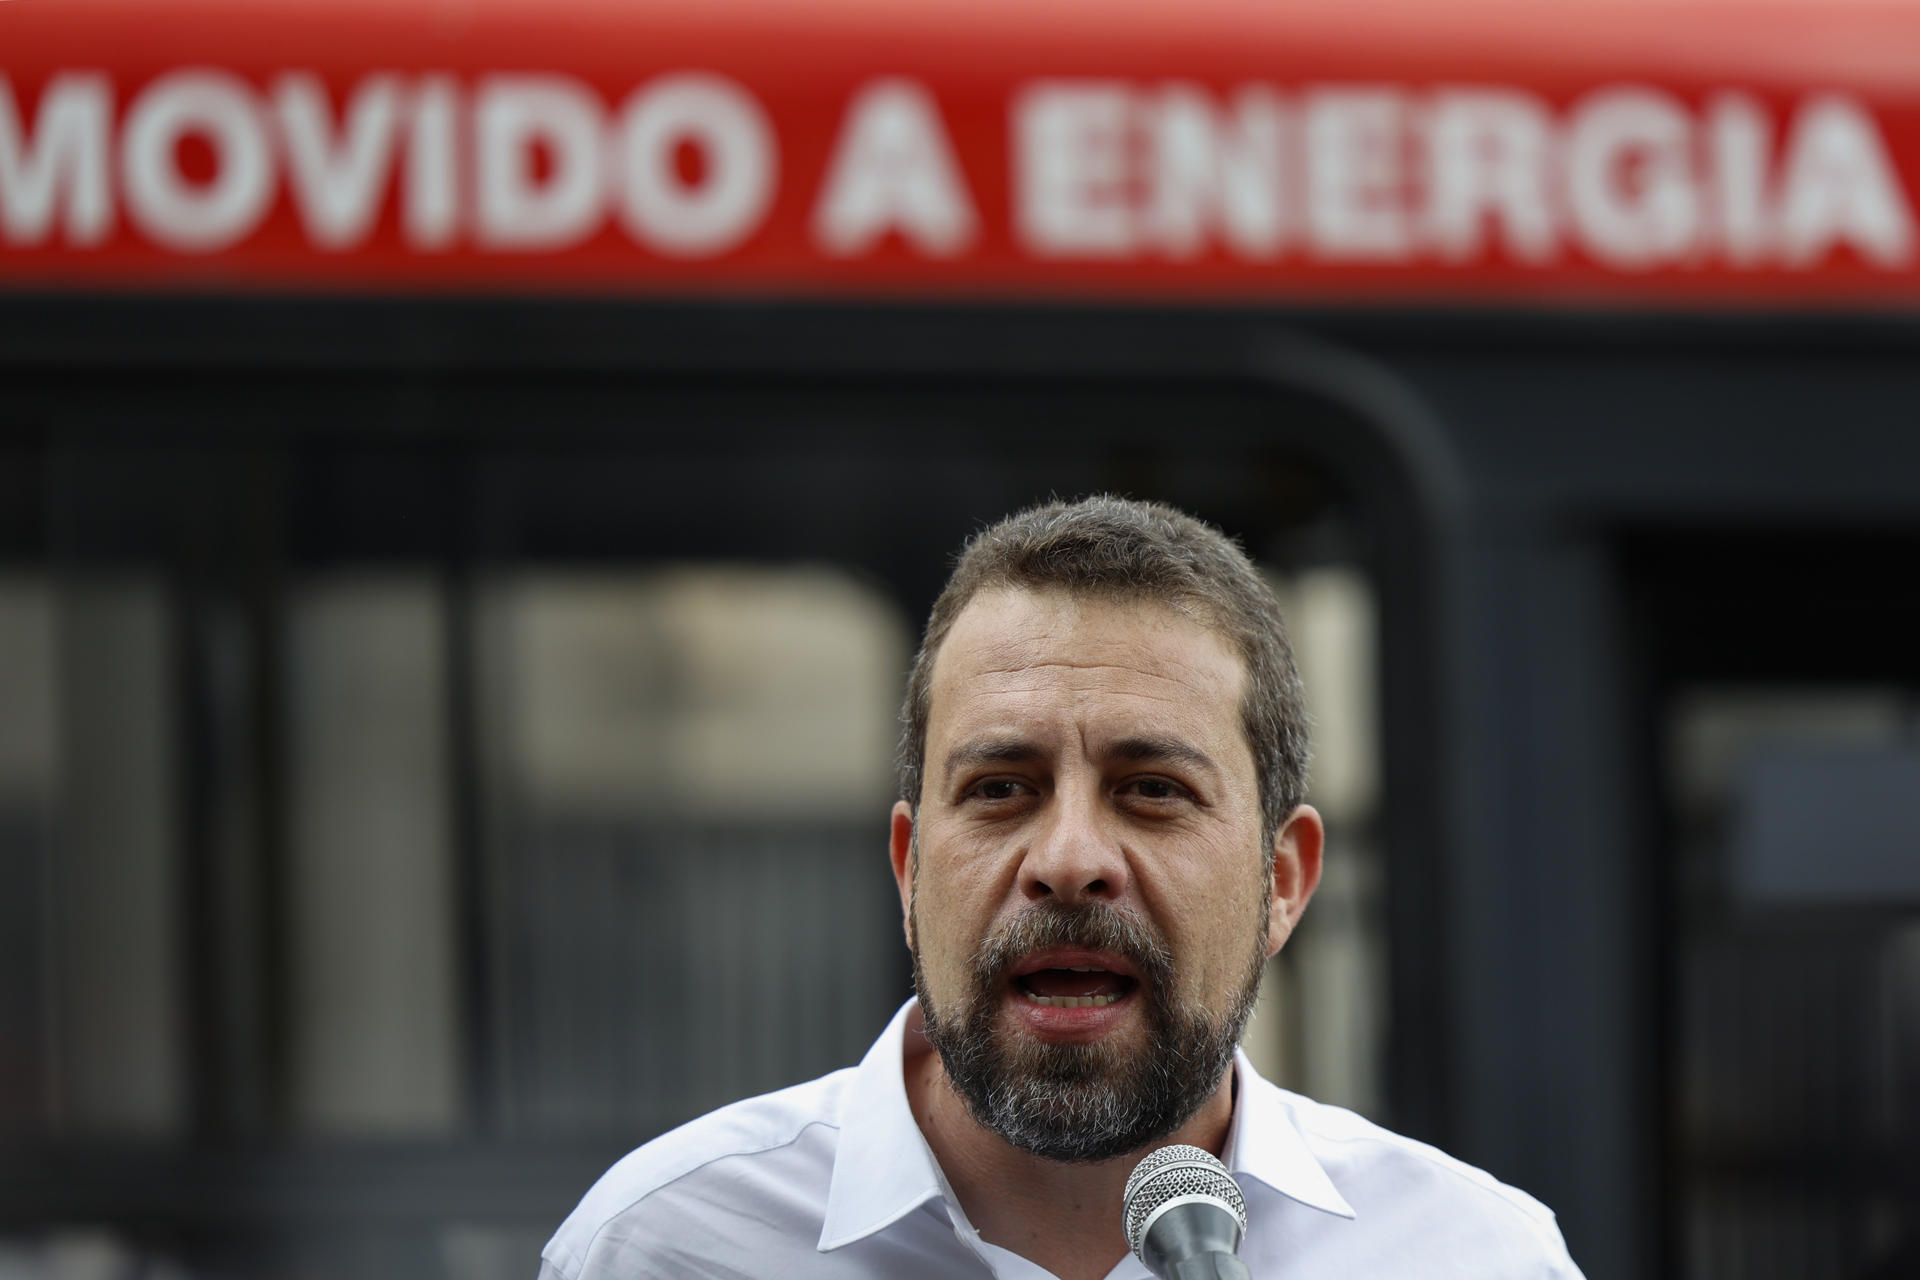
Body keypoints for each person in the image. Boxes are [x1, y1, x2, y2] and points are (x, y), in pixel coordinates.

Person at [540, 496, 1584, 1279]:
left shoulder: (1476, 1257)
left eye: (1151, 789)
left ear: (1282, 879)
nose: (1069, 855)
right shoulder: (662, 1248)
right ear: (909, 869)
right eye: (1001, 787)